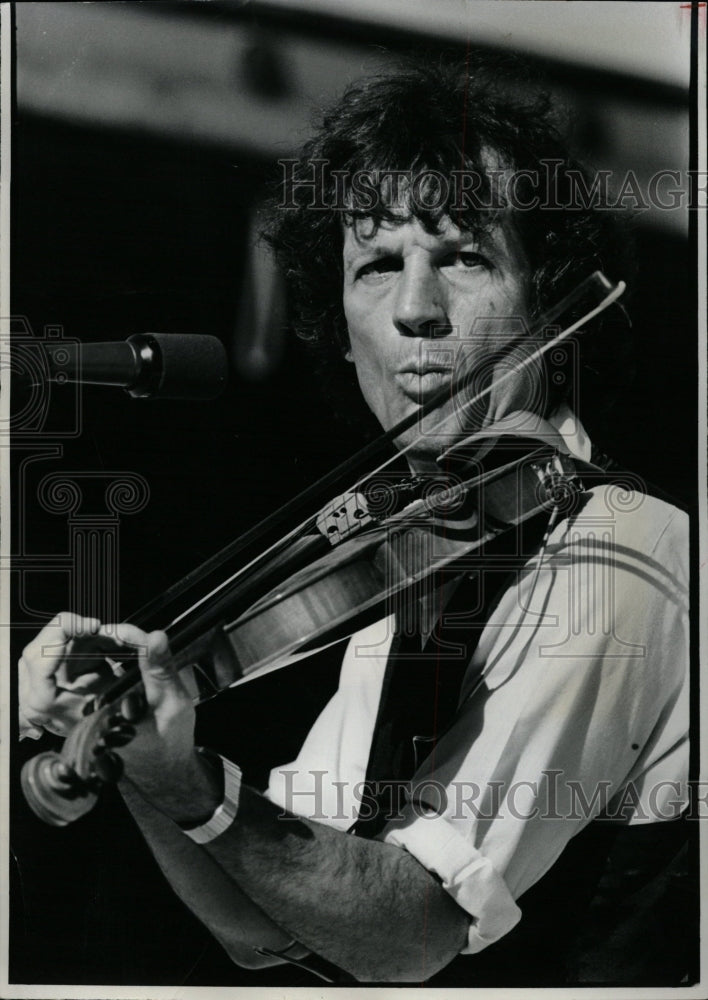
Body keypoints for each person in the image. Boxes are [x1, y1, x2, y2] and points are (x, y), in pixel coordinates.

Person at [18, 60, 690, 985]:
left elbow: (411, 928)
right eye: (378, 266)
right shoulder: (417, 557)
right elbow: (267, 926)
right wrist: (143, 754)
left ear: (549, 298)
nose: (415, 311)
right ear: (339, 322)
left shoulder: (620, 550)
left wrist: (194, 787)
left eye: (464, 256)